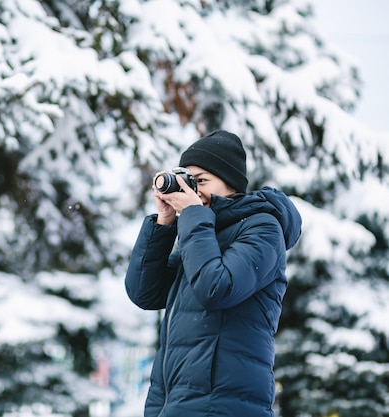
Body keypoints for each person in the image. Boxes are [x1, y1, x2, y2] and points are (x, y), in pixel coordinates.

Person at [125, 130, 302, 416]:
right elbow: (144, 292)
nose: (193, 191)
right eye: (187, 181)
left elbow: (217, 288)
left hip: (224, 406)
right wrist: (165, 222)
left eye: (201, 181)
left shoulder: (263, 229)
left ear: (230, 183)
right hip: (171, 406)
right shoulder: (201, 236)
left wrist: (194, 215)